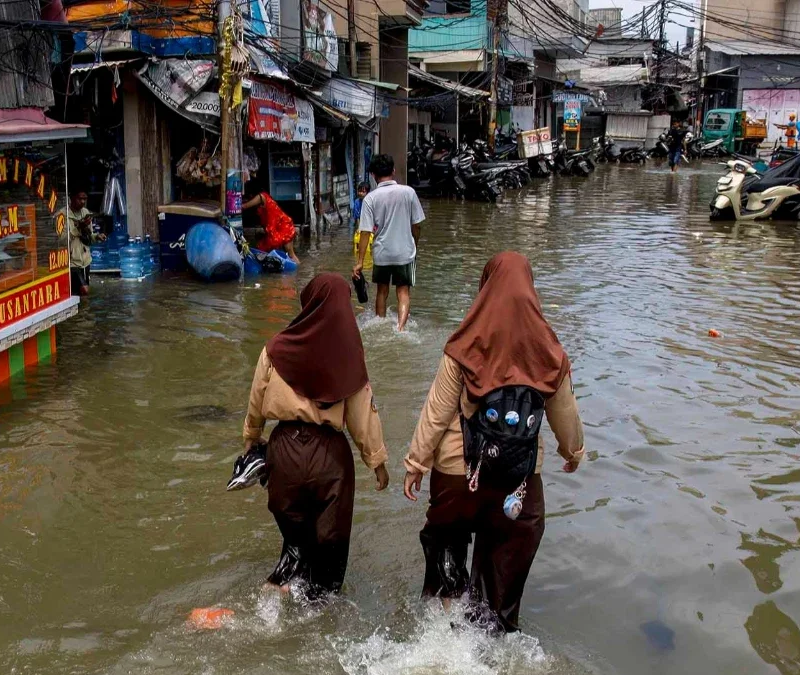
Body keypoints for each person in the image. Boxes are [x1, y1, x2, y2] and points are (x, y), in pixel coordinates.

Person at [403, 252, 585, 634]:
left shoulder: (464, 344)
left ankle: (440, 632)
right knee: (500, 582)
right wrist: (573, 452)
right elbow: (564, 415)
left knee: (446, 554)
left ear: (485, 289)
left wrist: (416, 463)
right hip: (516, 486)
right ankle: (490, 635)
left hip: (458, 475)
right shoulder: (550, 354)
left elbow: (436, 411)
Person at [242, 274, 390, 601]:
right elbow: (362, 415)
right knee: (329, 550)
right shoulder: (348, 355)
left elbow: (256, 400)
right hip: (329, 459)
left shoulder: (276, 348)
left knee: (295, 543)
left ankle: (273, 599)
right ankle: (318, 613)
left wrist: (251, 438)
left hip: (283, 453)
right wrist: (377, 461)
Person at [354, 154, 425, 331]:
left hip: (382, 253)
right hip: (404, 252)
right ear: (393, 171)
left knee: (381, 292)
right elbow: (416, 225)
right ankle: (400, 329)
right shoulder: (408, 192)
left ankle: (380, 324)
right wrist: (414, 245)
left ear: (372, 175)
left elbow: (365, 232)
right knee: (403, 292)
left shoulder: (370, 198)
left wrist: (360, 262)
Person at [243, 184, 300, 262]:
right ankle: (295, 270)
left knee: (265, 248)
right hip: (283, 225)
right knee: (289, 253)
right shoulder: (263, 201)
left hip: (283, 226)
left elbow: (245, 206)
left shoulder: (262, 196)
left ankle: (294, 269)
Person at [64, 190, 97, 297]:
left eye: (84, 199)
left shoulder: (85, 212)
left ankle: (83, 312)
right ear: (72, 198)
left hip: (85, 259)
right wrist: (79, 227)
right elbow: (62, 239)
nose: (82, 202)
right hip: (72, 261)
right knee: (84, 290)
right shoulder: (63, 215)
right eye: (80, 199)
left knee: (81, 294)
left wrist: (97, 237)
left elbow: (89, 236)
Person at [351, 183, 373, 273]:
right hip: (361, 227)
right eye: (359, 191)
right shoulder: (357, 202)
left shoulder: (371, 202)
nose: (360, 193)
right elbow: (357, 217)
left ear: (367, 193)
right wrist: (359, 229)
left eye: (363, 192)